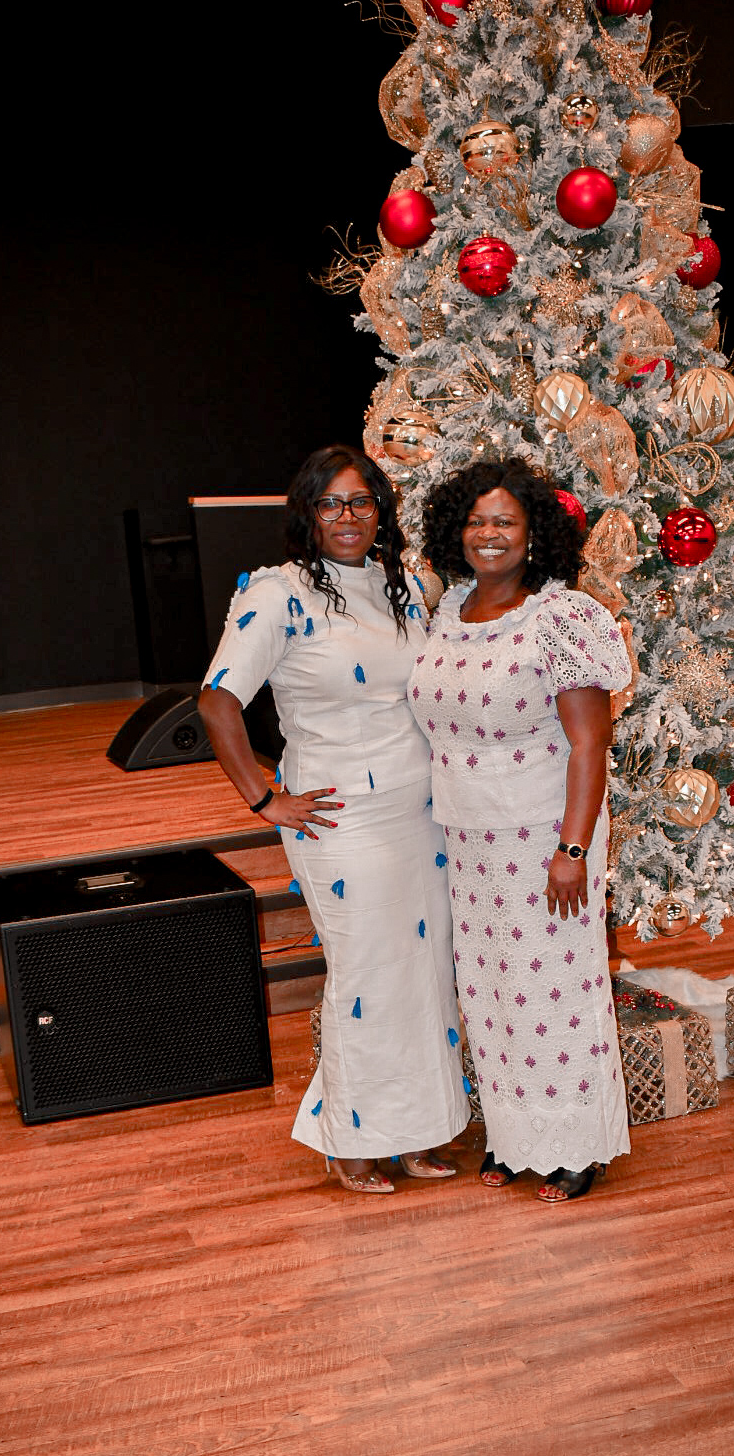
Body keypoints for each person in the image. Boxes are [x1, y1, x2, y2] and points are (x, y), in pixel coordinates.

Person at [198, 445, 469, 1194]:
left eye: (361, 502)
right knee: (368, 975)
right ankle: (352, 1140)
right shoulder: (276, 594)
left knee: (424, 975)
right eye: (330, 503)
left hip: (421, 812)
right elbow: (217, 702)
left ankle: (417, 1133)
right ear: (308, 515)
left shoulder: (404, 586)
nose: (347, 517)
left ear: (381, 510)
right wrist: (263, 799)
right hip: (339, 817)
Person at [409, 456, 633, 1203]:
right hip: (467, 839)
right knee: (491, 990)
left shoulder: (561, 618)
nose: (489, 534)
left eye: (505, 520)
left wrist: (573, 848)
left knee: (556, 989)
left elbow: (589, 744)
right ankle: (515, 1136)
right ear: (456, 531)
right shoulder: (449, 612)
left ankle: (576, 1146)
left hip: (543, 836)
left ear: (534, 532)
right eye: (476, 521)